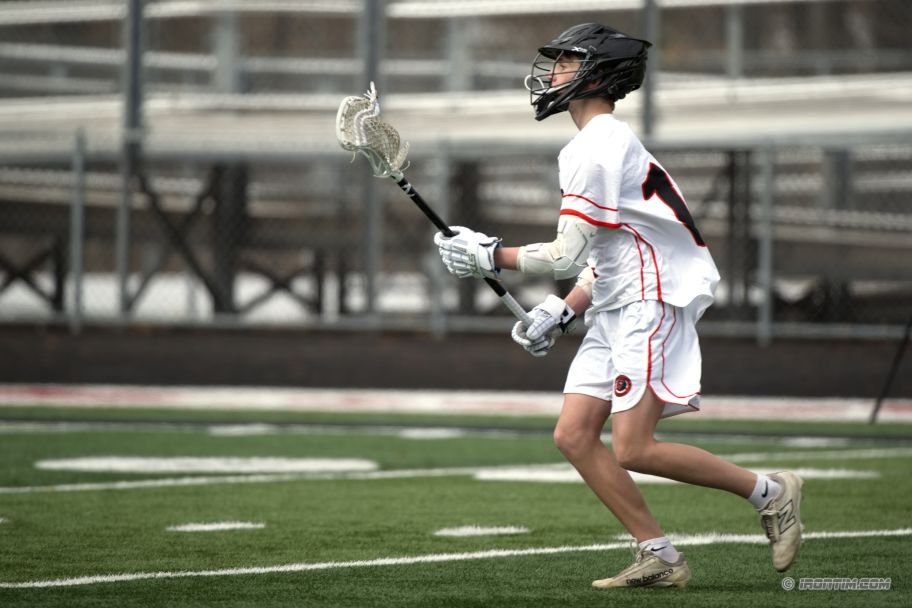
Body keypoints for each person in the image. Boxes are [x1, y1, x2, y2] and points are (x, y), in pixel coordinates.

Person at [432, 23, 803, 589]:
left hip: (649, 303)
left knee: (633, 447)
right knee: (574, 435)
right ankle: (659, 555)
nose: (553, 71)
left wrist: (490, 255)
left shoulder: (597, 146)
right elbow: (609, 251)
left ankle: (771, 493)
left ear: (598, 73)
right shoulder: (597, 143)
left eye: (567, 61)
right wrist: (564, 310)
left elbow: (565, 253)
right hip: (617, 303)